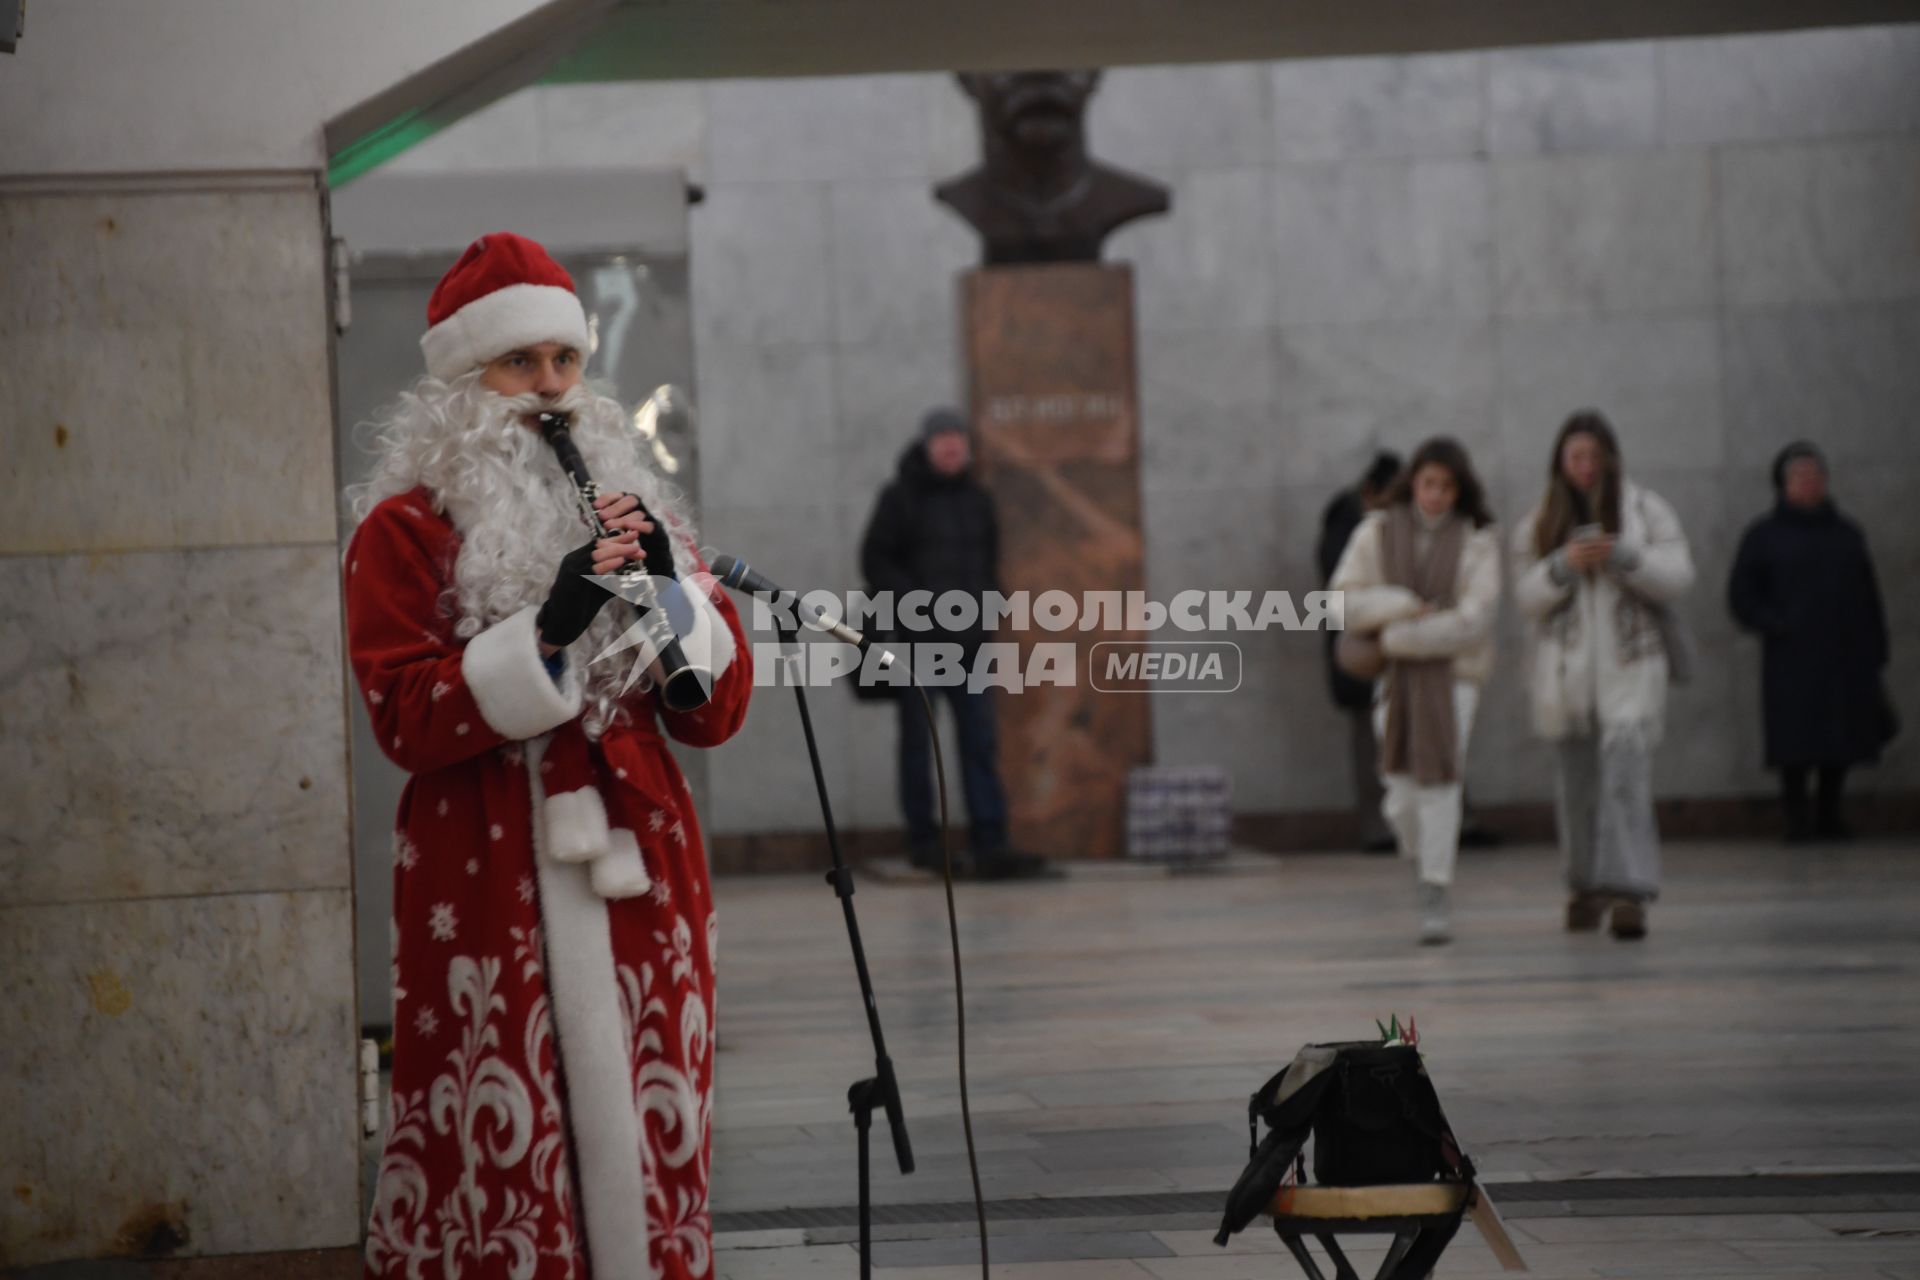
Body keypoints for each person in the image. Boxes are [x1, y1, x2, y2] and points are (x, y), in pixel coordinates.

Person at [345, 232, 753, 1279]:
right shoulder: (402, 530)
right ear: (459, 384)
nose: (549, 389)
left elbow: (712, 715)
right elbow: (403, 714)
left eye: (564, 361)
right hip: (487, 863)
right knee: (500, 1115)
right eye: (518, 363)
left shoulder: (638, 506)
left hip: (639, 860)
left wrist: (675, 596)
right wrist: (551, 626)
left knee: (653, 1088)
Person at [1512, 410, 1693, 941]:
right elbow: (1525, 597)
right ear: (1560, 462)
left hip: (1632, 667)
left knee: (1626, 780)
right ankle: (1585, 887)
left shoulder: (1644, 510)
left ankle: (1630, 893)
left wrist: (1625, 557)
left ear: (1609, 457)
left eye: (1592, 455)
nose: (1585, 466)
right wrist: (1563, 566)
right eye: (1575, 456)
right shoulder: (1541, 519)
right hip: (1566, 675)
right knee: (1576, 789)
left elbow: (1680, 574)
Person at [859, 408, 1047, 879]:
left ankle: (991, 841)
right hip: (917, 644)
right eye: (943, 437)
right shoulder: (899, 498)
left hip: (971, 646)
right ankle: (924, 842)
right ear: (926, 445)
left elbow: (987, 564)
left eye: (958, 438)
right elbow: (876, 561)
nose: (951, 446)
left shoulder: (977, 500)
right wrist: (918, 605)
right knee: (919, 746)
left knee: (980, 742)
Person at [1330, 438, 1501, 945]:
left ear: (1460, 490)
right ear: (1413, 483)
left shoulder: (1477, 540)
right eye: (1429, 483)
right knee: (1400, 795)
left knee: (1441, 783)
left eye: (1447, 486)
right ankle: (1423, 858)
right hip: (1396, 681)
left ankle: (1434, 889)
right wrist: (1402, 606)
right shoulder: (1377, 533)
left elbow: (1476, 620)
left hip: (1456, 678)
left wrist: (1405, 639)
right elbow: (1340, 603)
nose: (1437, 495)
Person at [1729, 441, 1894, 841]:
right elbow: (1742, 595)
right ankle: (1796, 819)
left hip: (1845, 656)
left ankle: (1829, 815)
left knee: (1840, 741)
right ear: (1784, 485)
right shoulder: (1764, 536)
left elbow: (1868, 593)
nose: (1810, 483)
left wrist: (1876, 647)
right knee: (1795, 744)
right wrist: (1776, 623)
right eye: (1800, 477)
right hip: (1792, 659)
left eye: (1816, 475)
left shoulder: (1846, 534)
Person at [1317, 452, 1403, 853]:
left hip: (1400, 644)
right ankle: (1376, 828)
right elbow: (1340, 588)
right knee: (1368, 742)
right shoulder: (1347, 522)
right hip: (1359, 647)